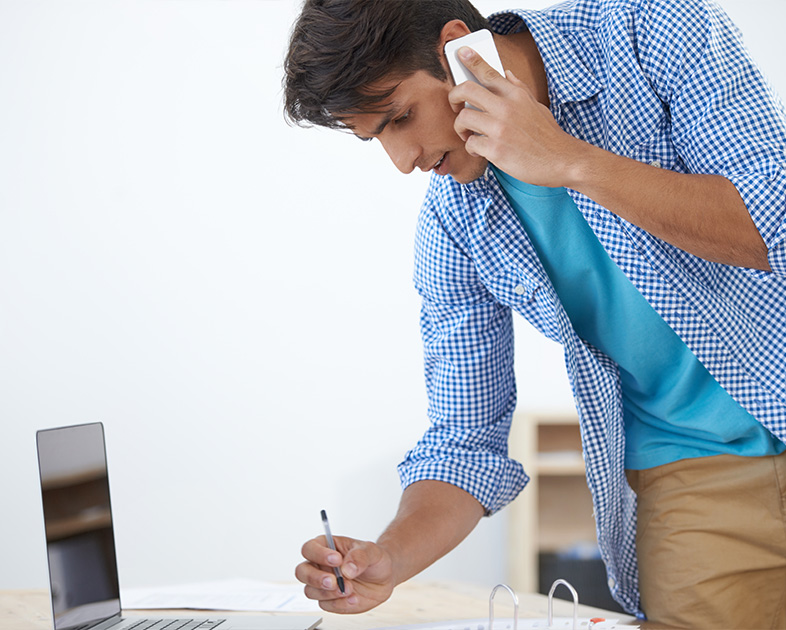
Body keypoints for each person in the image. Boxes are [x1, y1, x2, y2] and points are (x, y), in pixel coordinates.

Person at [282, 0, 786, 626]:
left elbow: (776, 222)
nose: (403, 160)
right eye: (376, 137)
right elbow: (467, 442)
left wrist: (568, 160)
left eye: (401, 117)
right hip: (691, 476)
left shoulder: (655, 32)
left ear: (459, 50)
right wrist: (387, 556)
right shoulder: (454, 221)